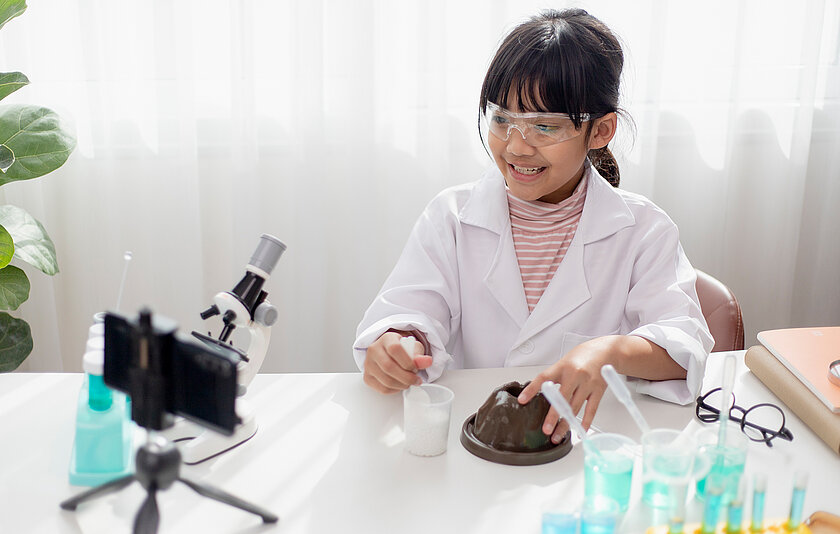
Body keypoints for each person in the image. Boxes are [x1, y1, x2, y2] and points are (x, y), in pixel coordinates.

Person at [353, 8, 713, 444]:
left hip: (584, 448)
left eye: (544, 126)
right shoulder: (451, 216)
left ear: (600, 131)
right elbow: (410, 311)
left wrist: (606, 352)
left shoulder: (643, 230)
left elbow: (684, 348)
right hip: (475, 441)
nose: (516, 146)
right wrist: (398, 345)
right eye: (502, 119)